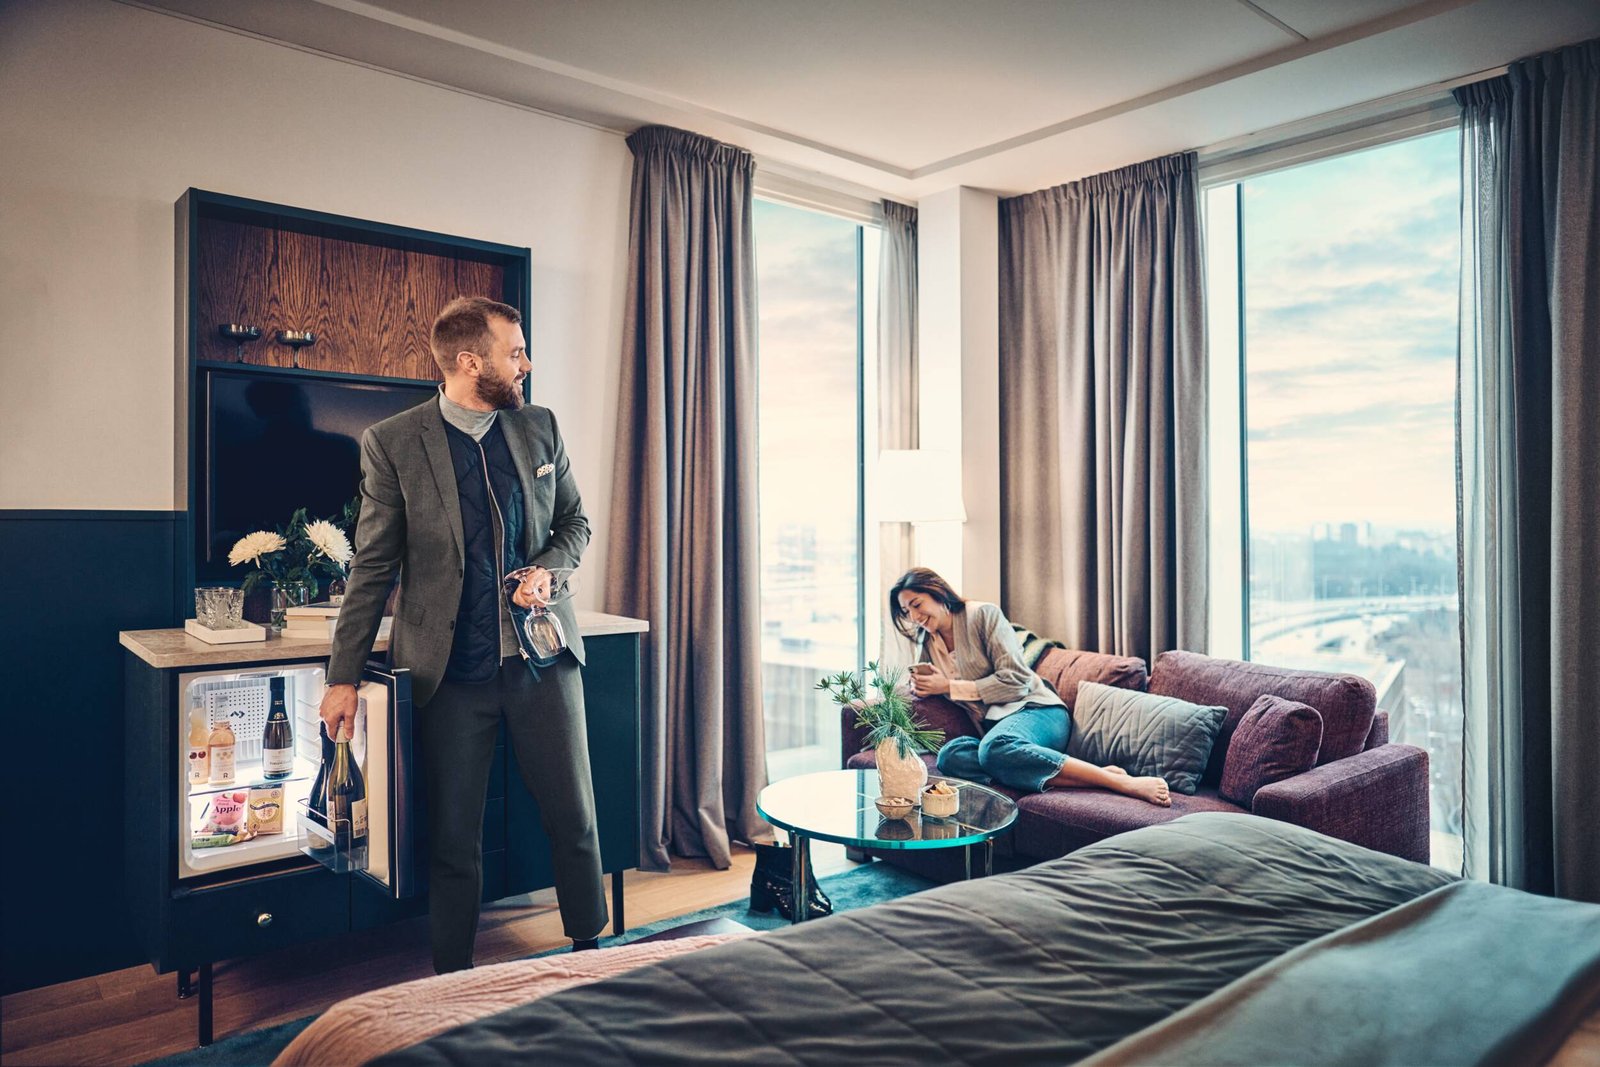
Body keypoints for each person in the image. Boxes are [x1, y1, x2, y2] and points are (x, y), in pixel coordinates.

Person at [321, 296, 607, 972]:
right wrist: (342, 677)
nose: (527, 364)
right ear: (469, 361)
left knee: (575, 820)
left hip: (544, 660)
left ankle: (593, 956)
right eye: (516, 352)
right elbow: (373, 566)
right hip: (449, 674)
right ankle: (451, 979)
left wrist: (549, 570)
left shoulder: (540, 428)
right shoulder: (392, 442)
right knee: (453, 840)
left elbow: (575, 524)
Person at [889, 567, 1170, 806]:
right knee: (951, 756)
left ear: (937, 592)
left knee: (995, 748)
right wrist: (922, 688)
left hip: (1037, 711)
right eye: (906, 611)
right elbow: (932, 689)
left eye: (916, 604)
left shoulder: (982, 615)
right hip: (995, 731)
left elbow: (1016, 681)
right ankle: (1049, 769)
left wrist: (949, 687)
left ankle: (1116, 782)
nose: (914, 617)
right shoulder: (928, 643)